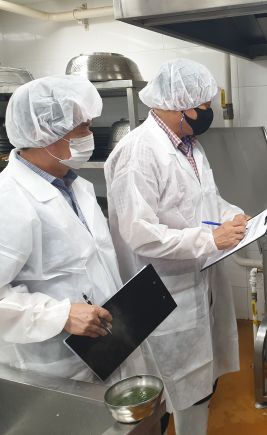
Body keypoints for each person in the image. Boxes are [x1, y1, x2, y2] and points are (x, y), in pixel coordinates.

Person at [104, 59, 249, 435]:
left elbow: (207, 201)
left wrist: (233, 217)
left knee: (198, 386)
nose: (207, 112)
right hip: (162, 292)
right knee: (168, 390)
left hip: (197, 280)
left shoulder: (189, 145)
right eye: (202, 106)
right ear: (176, 104)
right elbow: (140, 233)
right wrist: (209, 239)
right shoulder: (138, 152)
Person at [0, 76, 155, 385]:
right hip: (52, 365)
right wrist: (59, 315)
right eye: (81, 129)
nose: (89, 137)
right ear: (40, 133)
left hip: (106, 346)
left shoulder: (76, 186)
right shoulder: (8, 200)